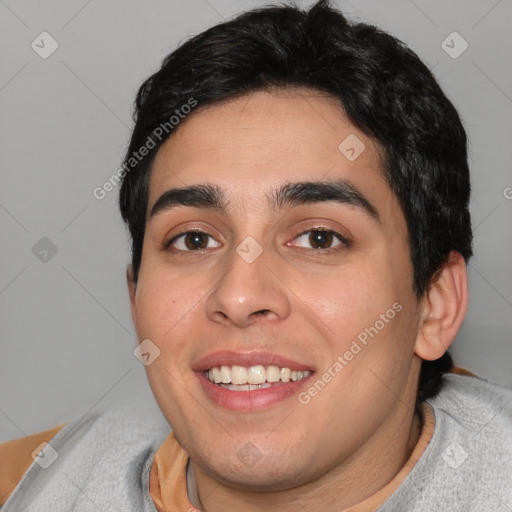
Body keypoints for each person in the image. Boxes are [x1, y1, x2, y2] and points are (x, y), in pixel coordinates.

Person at [1, 1, 511, 510]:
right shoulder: (27, 483)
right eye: (193, 240)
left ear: (435, 304)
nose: (239, 296)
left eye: (319, 238)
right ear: (136, 298)